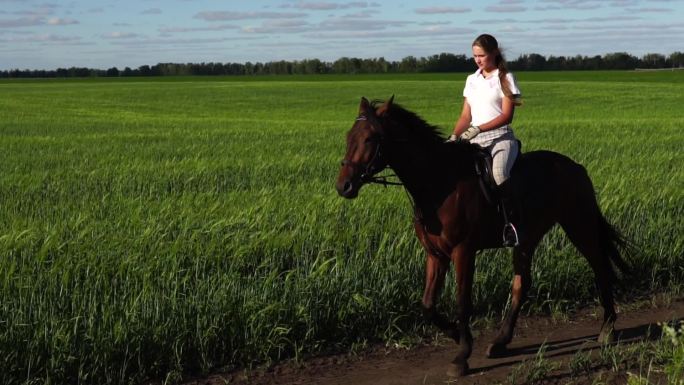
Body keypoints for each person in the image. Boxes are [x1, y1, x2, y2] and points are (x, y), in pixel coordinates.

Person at [447, 33, 522, 247]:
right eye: (474, 56)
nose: (478, 60)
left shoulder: (505, 77)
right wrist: (454, 136)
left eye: (482, 55)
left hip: (501, 138)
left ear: (494, 53)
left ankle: (511, 225)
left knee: (499, 173)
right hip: (474, 140)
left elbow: (507, 116)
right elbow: (465, 116)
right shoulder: (472, 80)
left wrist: (478, 128)